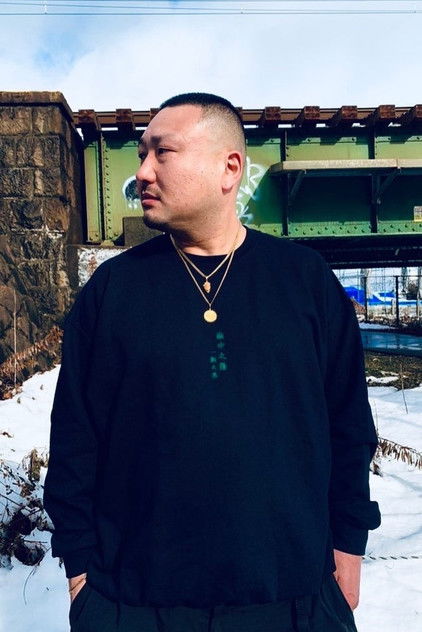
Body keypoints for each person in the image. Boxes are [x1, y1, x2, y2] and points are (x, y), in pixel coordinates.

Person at [43, 93, 381, 632]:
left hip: (290, 596)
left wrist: (349, 542)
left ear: (229, 168)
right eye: (141, 154)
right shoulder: (113, 289)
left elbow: (349, 425)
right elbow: (76, 436)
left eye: (163, 152)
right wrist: (80, 571)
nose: (142, 172)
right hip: (135, 600)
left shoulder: (304, 280)